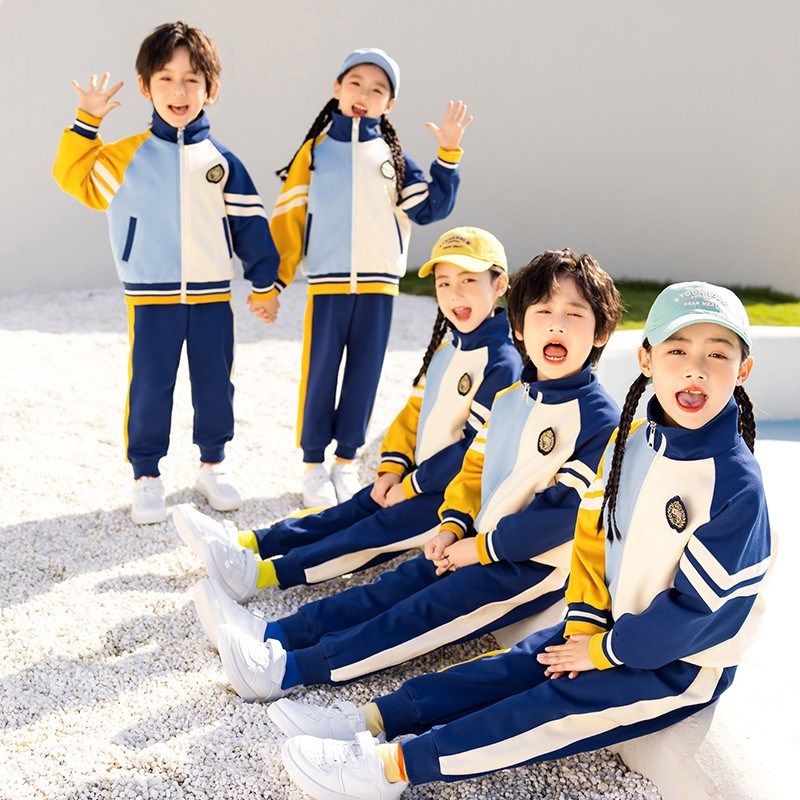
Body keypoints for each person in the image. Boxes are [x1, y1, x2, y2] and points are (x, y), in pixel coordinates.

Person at [272, 281, 772, 800]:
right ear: (646, 360)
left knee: (544, 710)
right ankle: (372, 719)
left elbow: (699, 613)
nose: (695, 370)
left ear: (743, 370)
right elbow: (593, 540)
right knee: (509, 667)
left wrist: (605, 650)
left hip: (676, 665)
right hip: (609, 629)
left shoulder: (736, 488)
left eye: (718, 354)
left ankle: (388, 769)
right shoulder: (631, 442)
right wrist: (586, 623)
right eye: (677, 351)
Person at [205, 249, 623, 703]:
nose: (556, 326)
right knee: (391, 587)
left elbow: (558, 519)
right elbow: (473, 473)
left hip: (528, 568)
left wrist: (479, 548)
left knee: (416, 615)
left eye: (573, 314)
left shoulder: (599, 420)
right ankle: (277, 633)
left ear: (601, 332)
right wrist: (452, 527)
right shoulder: (511, 398)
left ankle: (287, 671)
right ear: (520, 326)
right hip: (475, 540)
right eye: (543, 312)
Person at [173, 228, 521, 607]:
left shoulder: (502, 362)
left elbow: (472, 449)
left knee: (364, 537)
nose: (454, 294)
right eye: (444, 283)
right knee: (345, 512)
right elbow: (414, 414)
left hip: (450, 498)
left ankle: (256, 575)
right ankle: (247, 542)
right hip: (418, 478)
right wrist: (392, 469)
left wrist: (411, 487)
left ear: (499, 284)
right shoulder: (448, 344)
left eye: (468, 280)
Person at [52, 21, 279, 524]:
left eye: (192, 79)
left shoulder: (222, 162)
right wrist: (87, 123)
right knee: (150, 386)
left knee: (215, 384)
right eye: (167, 79)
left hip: (211, 298)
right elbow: (74, 178)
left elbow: (250, 226)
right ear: (145, 86)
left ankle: (213, 465)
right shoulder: (125, 158)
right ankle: (147, 475)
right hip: (150, 298)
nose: (180, 91)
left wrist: (265, 284)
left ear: (210, 89)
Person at [265, 47, 472, 507]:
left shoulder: (393, 158)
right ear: (337, 89)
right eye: (355, 83)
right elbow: (288, 221)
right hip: (328, 285)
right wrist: (272, 284)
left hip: (379, 287)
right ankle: (313, 465)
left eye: (378, 90)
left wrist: (448, 154)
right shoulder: (314, 154)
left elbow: (430, 207)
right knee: (320, 373)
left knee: (364, 374)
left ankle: (345, 462)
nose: (364, 94)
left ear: (389, 104)